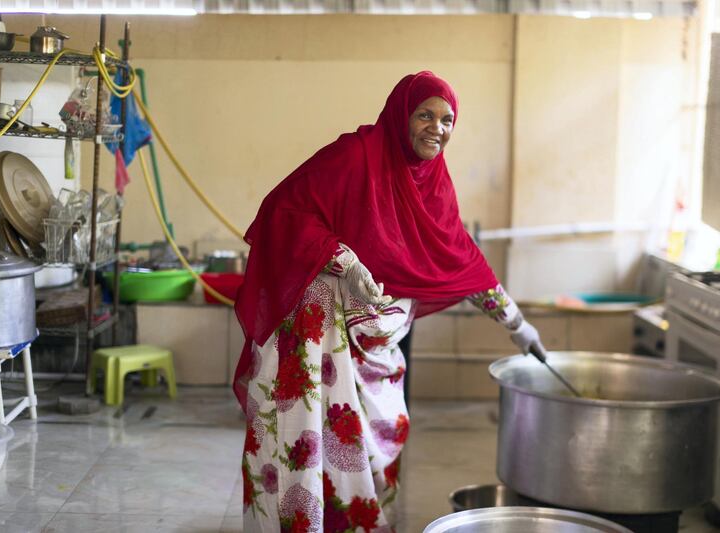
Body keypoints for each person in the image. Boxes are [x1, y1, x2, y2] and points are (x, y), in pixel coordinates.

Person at [234, 71, 546, 532]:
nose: (436, 128)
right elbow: (285, 210)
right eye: (425, 115)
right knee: (307, 437)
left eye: (447, 119)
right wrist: (345, 261)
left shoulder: (435, 186)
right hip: (316, 336)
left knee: (382, 433)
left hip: (378, 339)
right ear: (402, 115)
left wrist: (519, 326)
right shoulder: (355, 156)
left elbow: (461, 258)